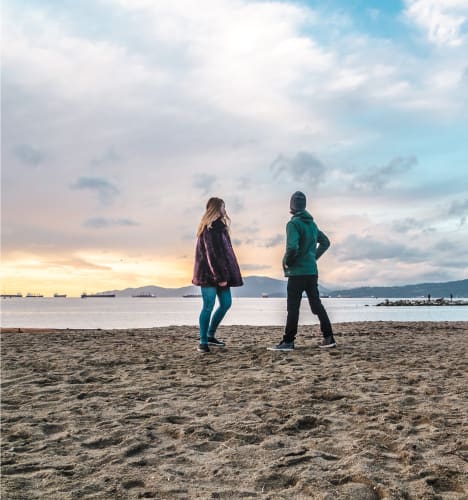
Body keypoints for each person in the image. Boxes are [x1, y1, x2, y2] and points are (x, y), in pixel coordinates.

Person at [269, 191, 336, 351]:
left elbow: (292, 247)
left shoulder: (293, 224)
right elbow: (325, 242)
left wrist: (288, 262)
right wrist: (313, 257)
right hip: (312, 272)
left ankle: (288, 342)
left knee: (293, 308)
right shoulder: (312, 225)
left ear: (291, 206)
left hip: (297, 273)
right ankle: (329, 338)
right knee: (316, 305)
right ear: (304, 205)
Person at [192, 197, 243, 353]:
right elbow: (212, 255)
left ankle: (210, 335)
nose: (225, 209)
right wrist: (220, 277)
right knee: (208, 306)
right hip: (209, 275)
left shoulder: (220, 227)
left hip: (223, 274)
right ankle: (203, 342)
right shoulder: (210, 228)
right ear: (216, 208)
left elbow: (226, 254)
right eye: (222, 206)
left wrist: (225, 275)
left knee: (226, 303)